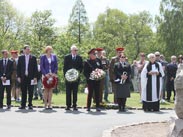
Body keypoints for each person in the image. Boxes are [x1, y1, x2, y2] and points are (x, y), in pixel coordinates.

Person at [17, 45, 38, 109]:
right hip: (23, 77)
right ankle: (23, 105)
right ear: (24, 50)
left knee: (31, 91)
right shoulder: (21, 57)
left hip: (31, 77)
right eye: (27, 49)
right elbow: (18, 68)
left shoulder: (33, 57)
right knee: (23, 91)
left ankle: (30, 104)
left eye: (29, 49)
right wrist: (18, 76)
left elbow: (35, 68)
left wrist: (35, 77)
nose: (28, 50)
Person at [63, 45, 83, 111]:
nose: (76, 51)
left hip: (76, 79)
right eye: (74, 50)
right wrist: (66, 76)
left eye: (76, 50)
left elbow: (81, 67)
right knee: (68, 92)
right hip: (68, 78)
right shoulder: (67, 57)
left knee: (75, 92)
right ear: (71, 51)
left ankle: (74, 105)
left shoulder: (79, 58)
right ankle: (68, 105)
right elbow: (64, 67)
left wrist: (77, 73)